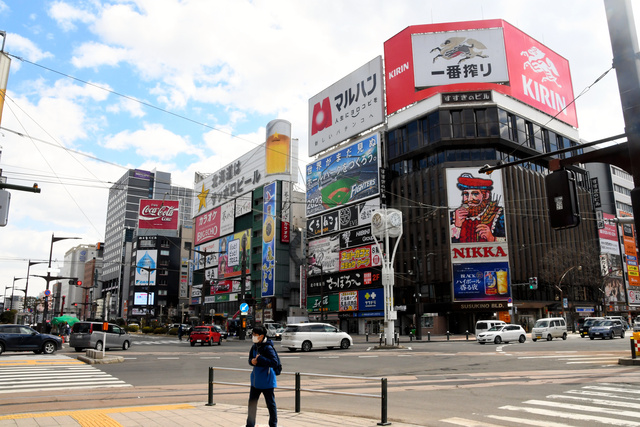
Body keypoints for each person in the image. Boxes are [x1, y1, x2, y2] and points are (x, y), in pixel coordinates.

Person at [450, 173, 506, 243]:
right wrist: (457, 226)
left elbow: (512, 241)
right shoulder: (453, 216)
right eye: (466, 194)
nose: (469, 199)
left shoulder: (500, 215)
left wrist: (492, 238)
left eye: (475, 194)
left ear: (486, 195)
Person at [246, 325, 279, 427]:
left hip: (267, 381)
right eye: (253, 334)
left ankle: (273, 425)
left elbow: (274, 362)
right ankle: (250, 425)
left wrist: (260, 360)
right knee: (252, 404)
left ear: (261, 336)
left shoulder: (268, 347)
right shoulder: (254, 346)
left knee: (270, 405)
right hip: (255, 381)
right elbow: (250, 360)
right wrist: (252, 361)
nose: (253, 336)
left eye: (255, 335)